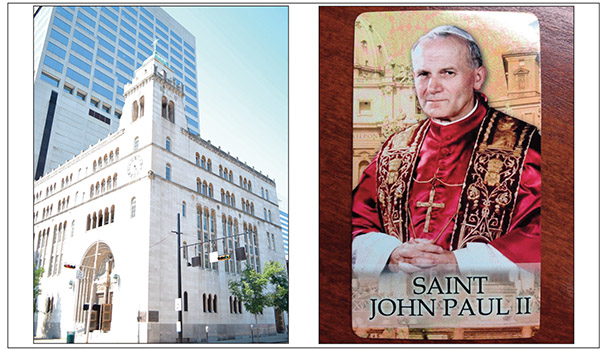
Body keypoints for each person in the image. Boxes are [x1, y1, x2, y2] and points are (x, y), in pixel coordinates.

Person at [352, 25, 541, 276]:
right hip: (400, 308)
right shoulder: (393, 149)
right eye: (423, 74)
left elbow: (547, 229)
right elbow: (353, 221)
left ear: (477, 77)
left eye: (447, 72)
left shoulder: (526, 145)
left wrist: (459, 262)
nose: (432, 87)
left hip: (487, 308)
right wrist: (390, 254)